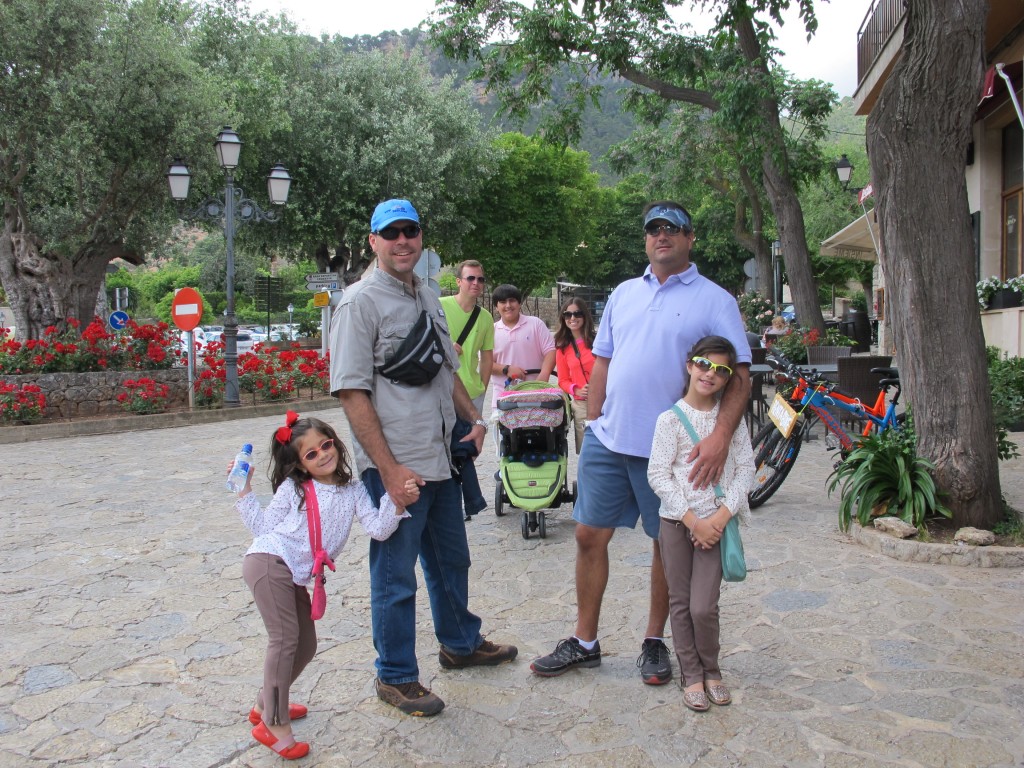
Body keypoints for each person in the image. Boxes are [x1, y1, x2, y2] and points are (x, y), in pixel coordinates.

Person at [530, 200, 751, 686]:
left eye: (672, 228)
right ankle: (585, 641)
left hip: (672, 448)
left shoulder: (715, 300)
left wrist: (719, 437)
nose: (661, 235)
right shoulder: (625, 294)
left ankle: (654, 641)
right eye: (653, 228)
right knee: (588, 535)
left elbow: (739, 375)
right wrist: (594, 418)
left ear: (691, 238)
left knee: (664, 545)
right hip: (610, 439)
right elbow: (604, 359)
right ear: (645, 238)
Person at [330, 199, 517, 718]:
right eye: (391, 233)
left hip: (441, 460)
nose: (403, 241)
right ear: (373, 241)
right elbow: (351, 392)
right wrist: (387, 470)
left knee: (450, 560)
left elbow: (445, 371)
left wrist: (474, 421)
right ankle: (395, 675)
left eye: (411, 231)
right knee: (396, 575)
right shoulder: (358, 304)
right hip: (398, 468)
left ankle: (460, 643)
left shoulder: (430, 297)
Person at [234, 411, 409, 759]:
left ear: (335, 443)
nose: (323, 455)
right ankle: (274, 723)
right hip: (269, 562)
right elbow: (263, 527)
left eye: (325, 445)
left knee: (306, 645)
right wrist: (244, 490)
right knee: (284, 641)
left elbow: (377, 528)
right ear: (300, 463)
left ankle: (265, 703)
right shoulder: (295, 488)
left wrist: (396, 499)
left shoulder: (353, 488)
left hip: (294, 573)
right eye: (311, 454)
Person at [646, 336, 754, 713]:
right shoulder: (669, 420)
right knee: (679, 602)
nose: (710, 373)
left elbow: (746, 471)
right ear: (690, 366)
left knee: (703, 607)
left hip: (716, 529)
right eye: (704, 364)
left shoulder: (731, 425)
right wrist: (692, 520)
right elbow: (659, 475)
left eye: (721, 370)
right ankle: (691, 673)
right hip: (678, 524)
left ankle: (712, 668)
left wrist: (720, 518)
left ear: (727, 379)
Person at [440, 260, 493, 519]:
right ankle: (453, 500)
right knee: (445, 446)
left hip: (471, 392)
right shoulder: (440, 307)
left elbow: (487, 355)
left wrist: (482, 386)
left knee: (468, 448)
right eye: (471, 278)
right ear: (459, 282)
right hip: (443, 390)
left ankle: (463, 500)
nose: (476, 284)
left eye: (480, 279)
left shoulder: (485, 317)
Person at [490, 283, 556, 407]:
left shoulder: (536, 324)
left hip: (536, 395)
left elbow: (551, 351)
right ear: (496, 307)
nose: (508, 305)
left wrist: (544, 375)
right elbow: (485, 363)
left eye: (512, 301)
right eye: (503, 302)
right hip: (503, 398)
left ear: (519, 303)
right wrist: (506, 369)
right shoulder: (490, 331)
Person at [554, 297, 597, 453]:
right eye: (568, 314)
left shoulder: (598, 341)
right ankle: (585, 477)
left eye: (577, 314)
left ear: (585, 316)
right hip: (582, 405)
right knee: (586, 448)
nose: (573, 318)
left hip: (605, 401)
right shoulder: (562, 347)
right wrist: (575, 389)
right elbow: (562, 380)